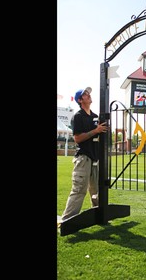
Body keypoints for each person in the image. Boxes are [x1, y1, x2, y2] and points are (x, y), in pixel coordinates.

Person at [61, 86, 108, 222]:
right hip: (83, 158)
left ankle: (99, 216)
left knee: (97, 191)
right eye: (85, 94)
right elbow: (77, 139)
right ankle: (67, 221)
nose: (89, 95)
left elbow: (100, 134)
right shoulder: (78, 116)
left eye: (88, 93)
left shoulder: (95, 117)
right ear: (80, 100)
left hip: (95, 159)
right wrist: (96, 131)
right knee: (79, 190)